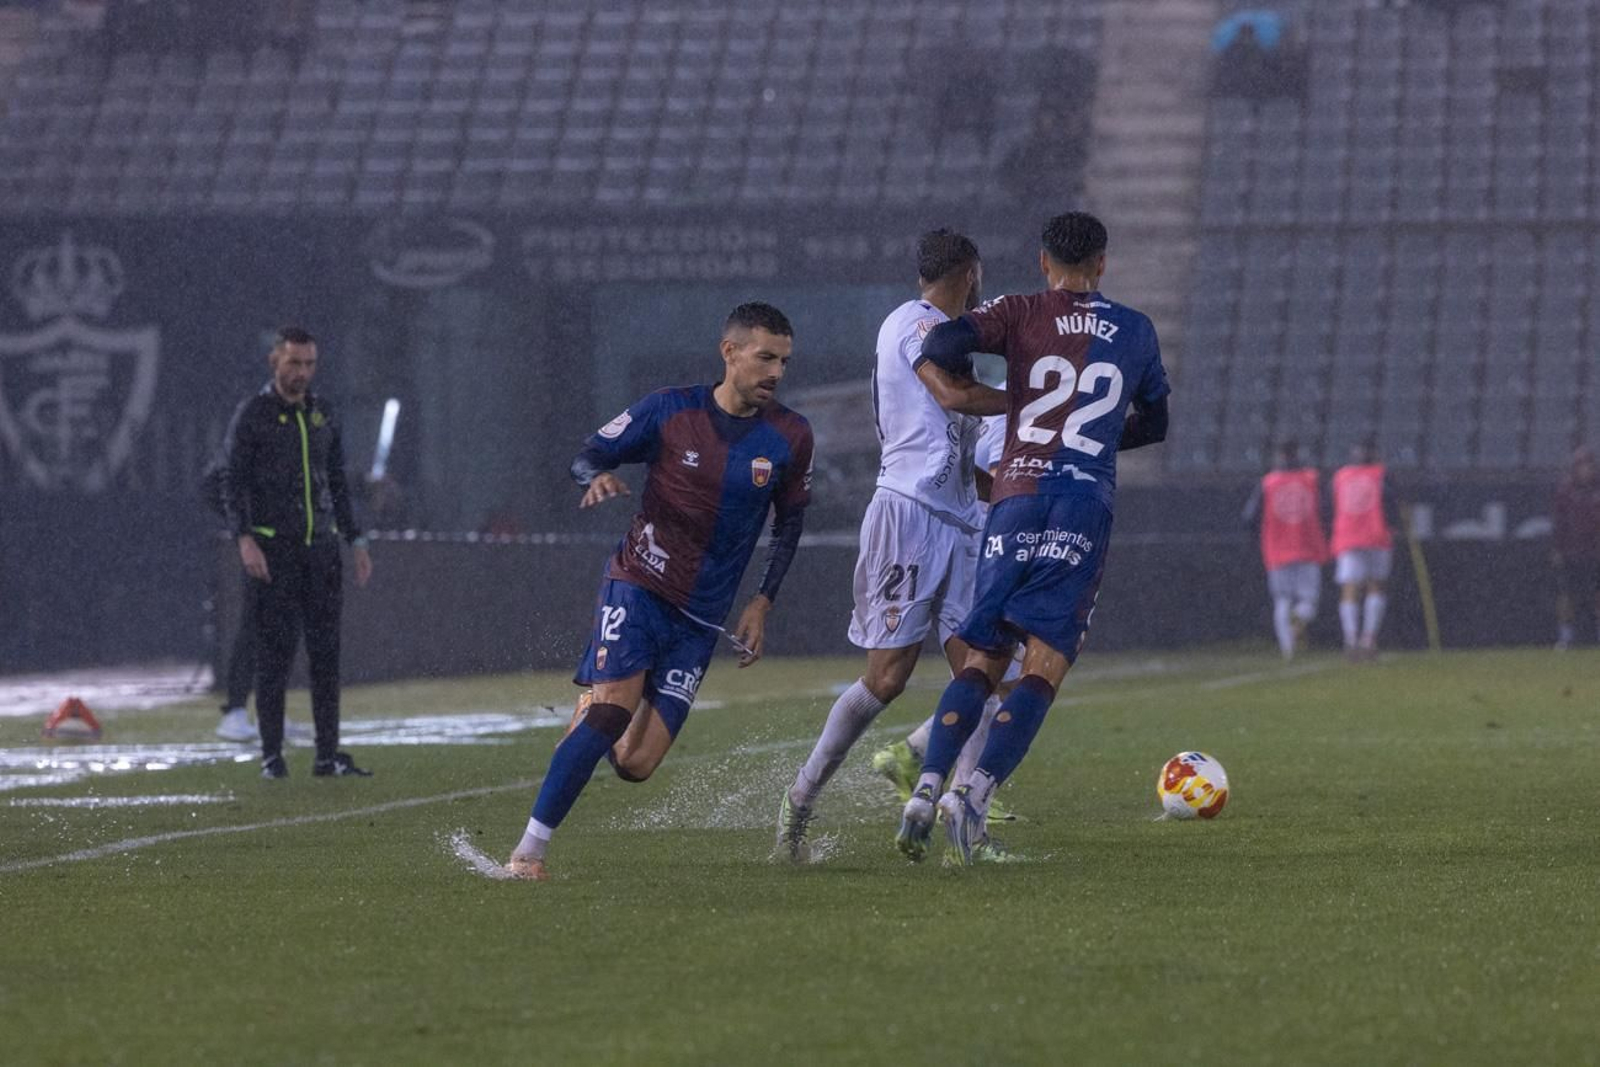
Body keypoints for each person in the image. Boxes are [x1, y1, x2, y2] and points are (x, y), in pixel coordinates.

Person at [506, 302, 814, 882]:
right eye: (765, 357)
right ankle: (528, 853)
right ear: (730, 352)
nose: (776, 371)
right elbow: (588, 452)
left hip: (700, 619)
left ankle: (591, 705)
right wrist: (593, 476)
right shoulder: (670, 410)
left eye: (784, 361)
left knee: (637, 763)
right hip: (639, 585)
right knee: (613, 712)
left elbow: (790, 524)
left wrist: (761, 602)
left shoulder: (791, 436)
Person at [901, 211, 1170, 865]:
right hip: (1082, 502)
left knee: (983, 653)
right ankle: (975, 796)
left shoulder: (1018, 309)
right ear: (1102, 264)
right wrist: (1104, 437)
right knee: (1044, 661)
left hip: (1015, 495)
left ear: (1043, 262)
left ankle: (925, 790)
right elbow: (1156, 422)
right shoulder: (1135, 329)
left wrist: (979, 387)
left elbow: (939, 346)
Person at [775, 230, 1009, 863]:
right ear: (970, 271)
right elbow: (951, 396)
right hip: (907, 516)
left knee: (984, 677)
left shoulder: (953, 339)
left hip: (960, 522)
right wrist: (1040, 401)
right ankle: (800, 797)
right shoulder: (912, 324)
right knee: (887, 679)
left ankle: (967, 825)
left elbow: (963, 449)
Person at [218, 326, 374, 779]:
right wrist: (244, 538)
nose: (302, 373)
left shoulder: (322, 413)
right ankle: (272, 757)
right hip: (274, 552)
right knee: (275, 657)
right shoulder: (253, 414)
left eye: (308, 364)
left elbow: (338, 483)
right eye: (294, 364)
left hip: (320, 553)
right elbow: (231, 482)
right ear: (275, 362)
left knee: (326, 657)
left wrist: (355, 540)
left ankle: (327, 757)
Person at [1242, 440, 1329, 660]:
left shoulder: (1268, 483)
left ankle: (1287, 649)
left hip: (1277, 550)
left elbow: (1249, 517)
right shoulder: (1311, 480)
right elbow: (1326, 510)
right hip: (1307, 548)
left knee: (1282, 600)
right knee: (1309, 601)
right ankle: (1296, 627)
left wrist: (1261, 538)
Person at [1330, 438, 1396, 659]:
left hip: (1348, 536)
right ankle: (1368, 639)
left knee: (1350, 588)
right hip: (1376, 535)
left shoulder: (1340, 477)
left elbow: (1329, 504)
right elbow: (1391, 501)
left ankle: (1350, 639)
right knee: (1375, 586)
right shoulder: (1380, 475)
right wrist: (1394, 525)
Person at [1552, 446, 1600, 649]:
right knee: (1567, 595)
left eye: (1589, 465)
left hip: (1596, 552)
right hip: (1572, 552)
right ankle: (1566, 636)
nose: (1585, 469)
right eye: (1581, 465)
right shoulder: (1565, 492)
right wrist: (1557, 549)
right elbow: (1559, 523)